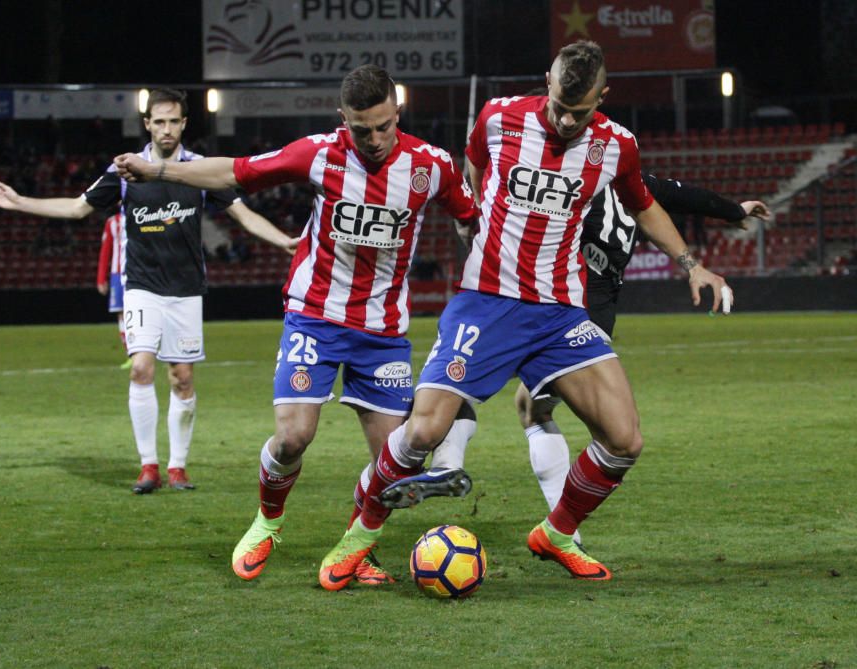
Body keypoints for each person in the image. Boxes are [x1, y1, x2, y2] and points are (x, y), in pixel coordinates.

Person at [316, 40, 733, 588]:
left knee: (625, 439)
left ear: (602, 99)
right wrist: (477, 225)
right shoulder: (499, 119)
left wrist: (690, 264)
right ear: (548, 81)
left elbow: (642, 203)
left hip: (560, 313)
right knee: (423, 431)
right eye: (558, 103)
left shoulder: (616, 145)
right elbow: (472, 170)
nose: (564, 118)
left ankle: (557, 532)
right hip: (487, 301)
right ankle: (357, 540)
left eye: (578, 112)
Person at [113, 65, 481, 585]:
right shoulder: (320, 153)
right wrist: (160, 172)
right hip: (314, 316)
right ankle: (267, 522)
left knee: (393, 463)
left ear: (398, 112)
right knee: (292, 437)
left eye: (383, 126)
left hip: (383, 332)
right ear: (342, 120)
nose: (373, 140)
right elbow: (234, 171)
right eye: (361, 129)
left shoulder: (432, 166)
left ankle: (358, 546)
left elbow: (472, 219)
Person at [385, 173, 772, 550]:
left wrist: (477, 220)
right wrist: (733, 210)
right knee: (533, 407)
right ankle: (562, 529)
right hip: (595, 325)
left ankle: (453, 465)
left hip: (554, 315)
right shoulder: (641, 187)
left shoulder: (572, 186)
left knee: (479, 388)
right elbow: (687, 195)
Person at [0, 88, 297, 494]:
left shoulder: (199, 169)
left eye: (173, 121)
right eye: (159, 121)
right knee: (141, 368)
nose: (166, 129)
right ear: (147, 124)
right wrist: (20, 202)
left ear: (184, 124)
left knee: (182, 378)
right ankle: (148, 466)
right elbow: (78, 208)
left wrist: (283, 241)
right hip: (142, 287)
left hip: (184, 290)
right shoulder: (126, 171)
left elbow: (244, 214)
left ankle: (177, 467)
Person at [96, 208, 130, 368]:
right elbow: (105, 251)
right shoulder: (112, 222)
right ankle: (130, 353)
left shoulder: (141, 216)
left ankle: (144, 349)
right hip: (117, 275)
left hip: (138, 273)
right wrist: (101, 278)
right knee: (122, 314)